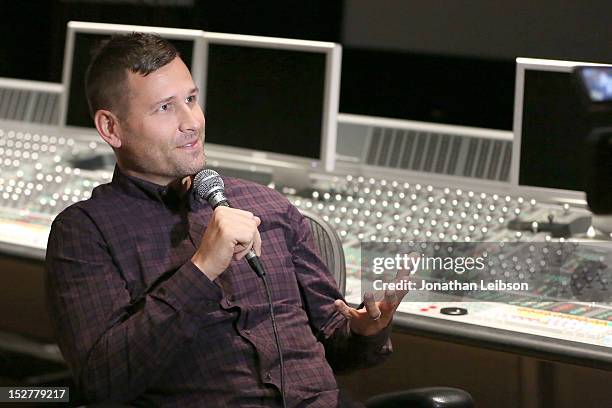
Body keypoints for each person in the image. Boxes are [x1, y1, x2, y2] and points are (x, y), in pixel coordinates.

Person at [45, 32, 409, 407]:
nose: (192, 122)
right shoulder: (85, 233)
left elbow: (336, 346)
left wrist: (367, 330)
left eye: (191, 99)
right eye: (165, 108)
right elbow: (103, 383)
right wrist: (201, 270)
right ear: (111, 128)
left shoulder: (268, 206)